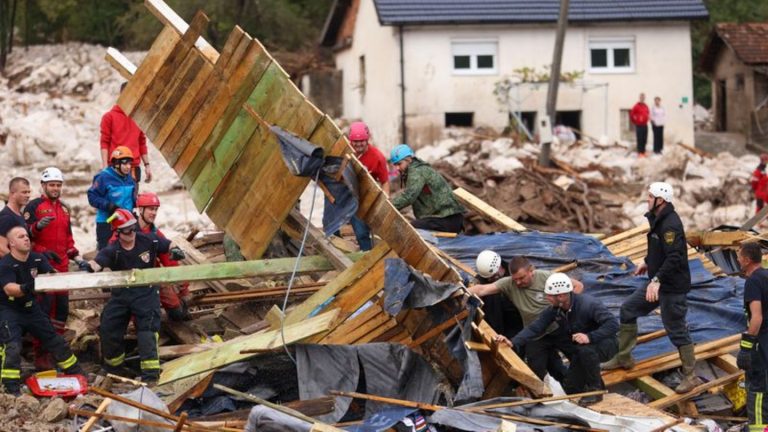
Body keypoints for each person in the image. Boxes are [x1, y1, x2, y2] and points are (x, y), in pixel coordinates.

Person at [602, 182, 703, 393]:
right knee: (628, 309)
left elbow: (675, 256)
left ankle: (690, 376)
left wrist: (656, 279)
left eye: (650, 196)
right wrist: (648, 261)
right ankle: (624, 357)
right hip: (657, 283)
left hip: (672, 287)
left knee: (675, 328)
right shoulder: (658, 219)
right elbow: (659, 249)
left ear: (661, 200)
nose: (646, 200)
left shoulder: (670, 225)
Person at [81, 209, 184, 382]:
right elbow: (97, 263)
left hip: (146, 292)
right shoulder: (113, 249)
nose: (132, 233)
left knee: (147, 332)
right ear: (118, 232)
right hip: (122, 294)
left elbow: (168, 244)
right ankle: (114, 368)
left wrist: (175, 250)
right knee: (109, 327)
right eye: (127, 230)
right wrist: (88, 266)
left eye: (133, 227)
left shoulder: (148, 240)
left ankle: (150, 376)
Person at [496, 273, 618, 406]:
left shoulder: (589, 305)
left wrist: (590, 337)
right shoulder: (557, 309)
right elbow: (536, 327)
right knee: (571, 388)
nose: (546, 298)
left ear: (560, 296)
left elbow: (613, 324)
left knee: (585, 350)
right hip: (583, 349)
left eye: (549, 295)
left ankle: (596, 391)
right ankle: (589, 386)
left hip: (606, 344)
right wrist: (512, 341)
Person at [469, 256, 584, 380]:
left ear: (531, 270)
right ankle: (549, 395)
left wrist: (566, 308)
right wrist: (458, 291)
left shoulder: (546, 277)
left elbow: (578, 285)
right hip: (535, 334)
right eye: (515, 279)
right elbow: (482, 289)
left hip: (558, 327)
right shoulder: (508, 283)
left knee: (579, 357)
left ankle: (592, 388)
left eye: (522, 278)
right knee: (535, 370)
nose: (518, 282)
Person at [0, 226, 82, 394]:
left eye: (27, 235)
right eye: (21, 236)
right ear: (11, 243)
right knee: (12, 347)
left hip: (31, 309)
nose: (26, 238)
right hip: (9, 310)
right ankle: (11, 388)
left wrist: (61, 276)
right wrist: (31, 286)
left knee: (55, 340)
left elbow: (53, 276)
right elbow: (10, 289)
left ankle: (76, 374)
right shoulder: (5, 264)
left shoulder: (37, 259)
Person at [25, 167, 80, 369]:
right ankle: (41, 354)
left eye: (58, 185)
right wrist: (37, 233)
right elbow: (23, 238)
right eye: (52, 185)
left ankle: (56, 350)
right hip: (43, 269)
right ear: (43, 186)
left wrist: (76, 255)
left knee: (61, 312)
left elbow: (68, 239)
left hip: (63, 269)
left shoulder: (64, 209)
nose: (55, 188)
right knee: (44, 311)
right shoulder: (34, 206)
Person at [133, 192, 191, 321]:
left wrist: (183, 288)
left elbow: (169, 260)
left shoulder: (155, 233)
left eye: (155, 209)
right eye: (150, 209)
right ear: (140, 210)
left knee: (177, 313)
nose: (154, 213)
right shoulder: (127, 231)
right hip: (133, 281)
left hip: (155, 277)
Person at [389, 144, 465, 233]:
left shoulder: (417, 171)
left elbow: (409, 196)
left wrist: (388, 206)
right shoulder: (417, 169)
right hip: (447, 219)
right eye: (395, 165)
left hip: (446, 218)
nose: (397, 168)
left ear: (408, 159)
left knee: (411, 230)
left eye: (399, 164)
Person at [736, 242, 768, 430]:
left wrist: (746, 347)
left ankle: (758, 428)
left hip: (761, 344)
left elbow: (757, 317)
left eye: (739, 256)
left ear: (747, 260)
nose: (738, 259)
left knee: (757, 390)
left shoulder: (753, 281)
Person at [346, 121, 390, 250]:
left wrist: (384, 201)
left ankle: (367, 256)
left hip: (363, 197)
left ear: (367, 140)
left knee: (361, 232)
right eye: (355, 141)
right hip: (344, 192)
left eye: (362, 141)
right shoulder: (345, 151)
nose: (358, 144)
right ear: (350, 140)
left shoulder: (377, 157)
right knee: (332, 226)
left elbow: (385, 181)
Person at [100, 82, 152, 184]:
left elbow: (142, 142)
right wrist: (105, 167)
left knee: (132, 199)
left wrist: (147, 165)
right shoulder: (109, 117)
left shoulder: (138, 118)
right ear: (122, 95)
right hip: (114, 168)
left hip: (134, 168)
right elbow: (104, 143)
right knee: (115, 199)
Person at [88, 146, 137, 250]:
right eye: (124, 163)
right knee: (106, 253)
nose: (128, 167)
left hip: (126, 222)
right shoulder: (103, 177)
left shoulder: (130, 178)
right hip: (107, 222)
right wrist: (108, 205)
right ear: (116, 163)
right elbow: (92, 196)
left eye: (129, 163)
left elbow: (132, 198)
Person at [473, 250, 522, 341]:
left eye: (494, 276)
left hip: (515, 322)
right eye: (489, 278)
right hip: (496, 323)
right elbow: (479, 290)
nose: (492, 279)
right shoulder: (483, 280)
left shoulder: (515, 275)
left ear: (499, 266)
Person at [0, 178, 31, 257]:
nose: (28, 195)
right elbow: (1, 248)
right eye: (24, 192)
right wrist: (20, 263)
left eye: (28, 192)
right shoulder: (6, 217)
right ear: (12, 194)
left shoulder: (19, 214)